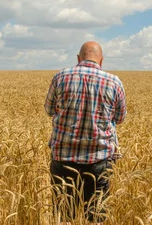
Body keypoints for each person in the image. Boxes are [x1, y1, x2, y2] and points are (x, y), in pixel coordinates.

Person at [45, 41, 127, 224]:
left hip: (63, 160)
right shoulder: (114, 81)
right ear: (102, 60)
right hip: (99, 161)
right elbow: (120, 118)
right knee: (96, 218)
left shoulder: (60, 77)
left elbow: (49, 110)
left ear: (78, 58)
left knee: (64, 216)